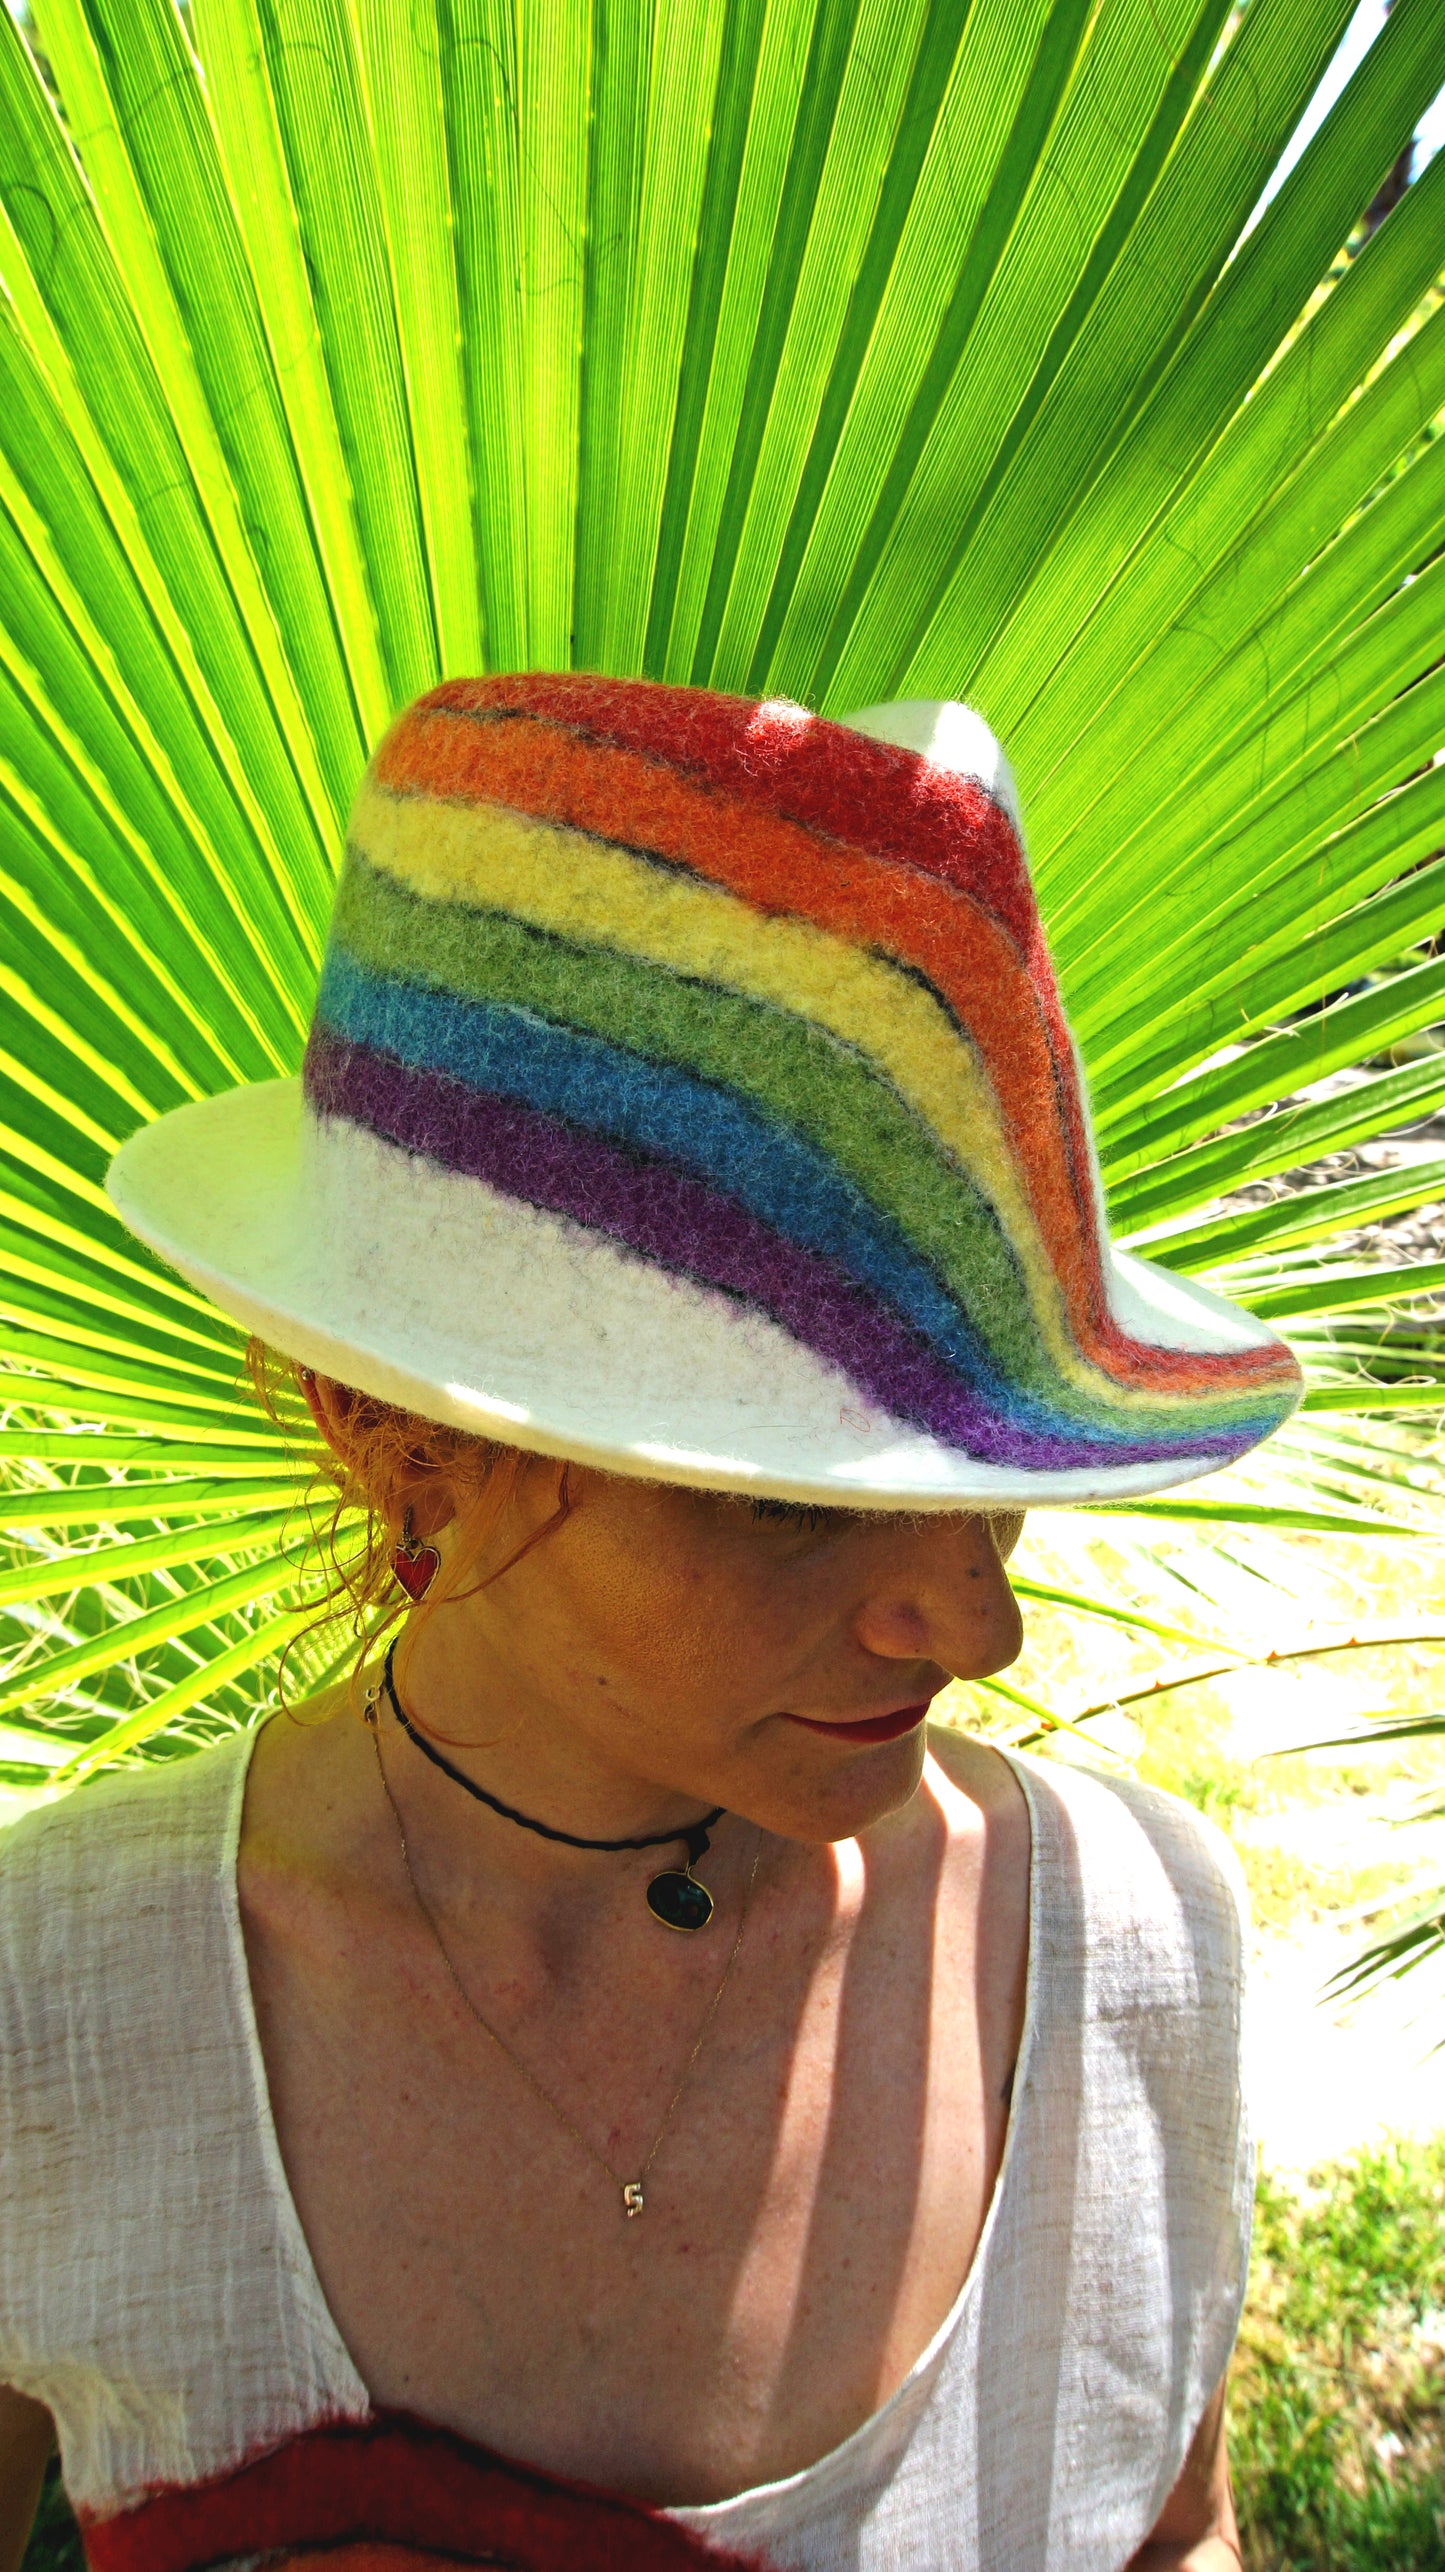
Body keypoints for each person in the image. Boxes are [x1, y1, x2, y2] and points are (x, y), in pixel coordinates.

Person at [0, 676, 1301, 2571]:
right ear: (394, 1437)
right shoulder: (60, 1998)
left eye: (974, 1482)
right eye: (786, 1501)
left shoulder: (1134, 1958)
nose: (978, 1627)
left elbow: (1174, 2533)